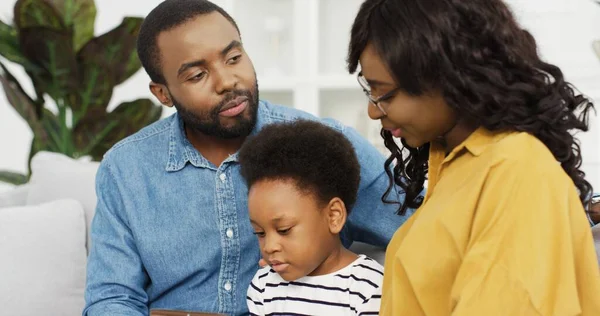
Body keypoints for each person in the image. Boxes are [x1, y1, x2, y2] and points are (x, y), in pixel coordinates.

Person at [83, 1, 410, 315]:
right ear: (163, 94)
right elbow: (113, 297)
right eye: (197, 76)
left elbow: (420, 230)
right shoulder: (125, 169)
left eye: (234, 57)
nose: (227, 82)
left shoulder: (324, 147)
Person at [346, 0, 600, 314]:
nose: (373, 111)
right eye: (368, 90)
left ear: (448, 74)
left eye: (384, 93)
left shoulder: (517, 172)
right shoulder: (455, 165)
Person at [239, 120, 384, 315]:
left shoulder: (368, 288)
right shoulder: (264, 286)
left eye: (284, 230)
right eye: (260, 232)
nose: (269, 246)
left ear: (333, 216)